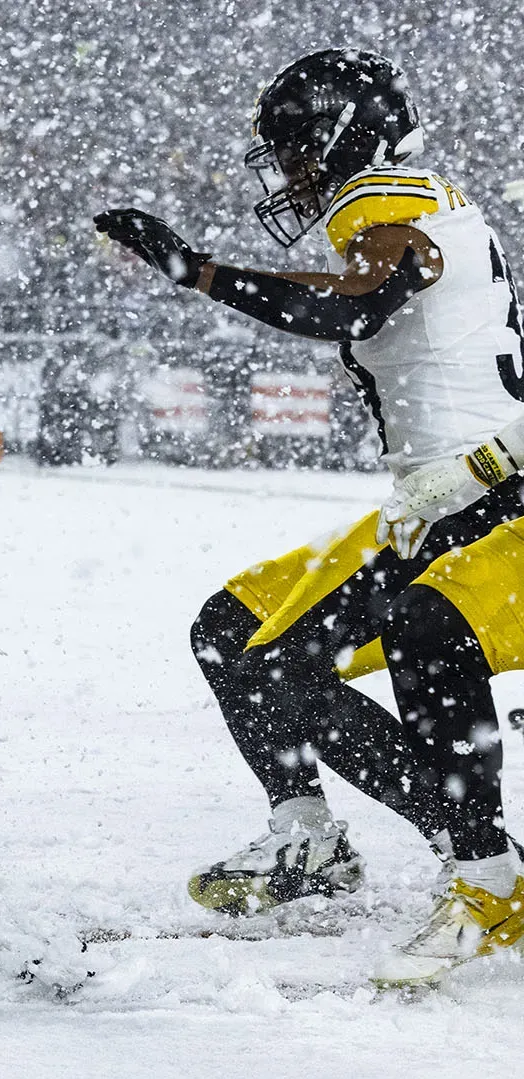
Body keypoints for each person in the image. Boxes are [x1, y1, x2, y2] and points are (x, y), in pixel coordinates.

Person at [96, 49, 524, 986]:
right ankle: (309, 838)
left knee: (381, 641)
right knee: (234, 633)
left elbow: (365, 303)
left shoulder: (381, 197)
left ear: (340, 136)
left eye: (294, 149)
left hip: (492, 502)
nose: (289, 174)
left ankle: (488, 875)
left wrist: (197, 271)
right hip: (437, 502)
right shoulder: (411, 195)